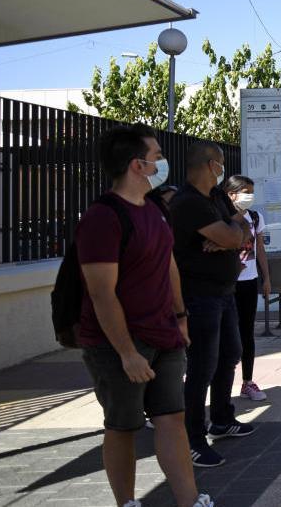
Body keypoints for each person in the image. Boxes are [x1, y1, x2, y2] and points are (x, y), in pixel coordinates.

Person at [75, 124, 211, 507]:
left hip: (164, 335)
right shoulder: (103, 217)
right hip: (119, 343)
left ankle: (191, 500)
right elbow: (102, 293)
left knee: (172, 418)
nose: (162, 162)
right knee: (123, 426)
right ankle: (127, 503)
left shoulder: (153, 209)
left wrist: (180, 317)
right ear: (138, 165)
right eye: (157, 156)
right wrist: (127, 353)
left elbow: (167, 264)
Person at [170, 142, 255, 468]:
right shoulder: (189, 202)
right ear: (209, 164)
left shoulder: (216, 196)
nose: (223, 169)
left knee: (229, 354)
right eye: (220, 164)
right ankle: (193, 438)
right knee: (202, 367)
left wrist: (226, 238)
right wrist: (231, 237)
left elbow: (243, 230)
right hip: (199, 295)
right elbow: (237, 236)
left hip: (223, 291)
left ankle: (221, 418)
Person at [223, 175, 272, 402]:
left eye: (251, 191)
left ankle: (247, 381)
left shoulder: (255, 216)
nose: (249, 196)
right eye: (245, 191)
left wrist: (266, 278)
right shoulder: (221, 215)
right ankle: (222, 383)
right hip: (226, 283)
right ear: (231, 193)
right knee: (225, 335)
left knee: (247, 333)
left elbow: (259, 248)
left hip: (249, 281)